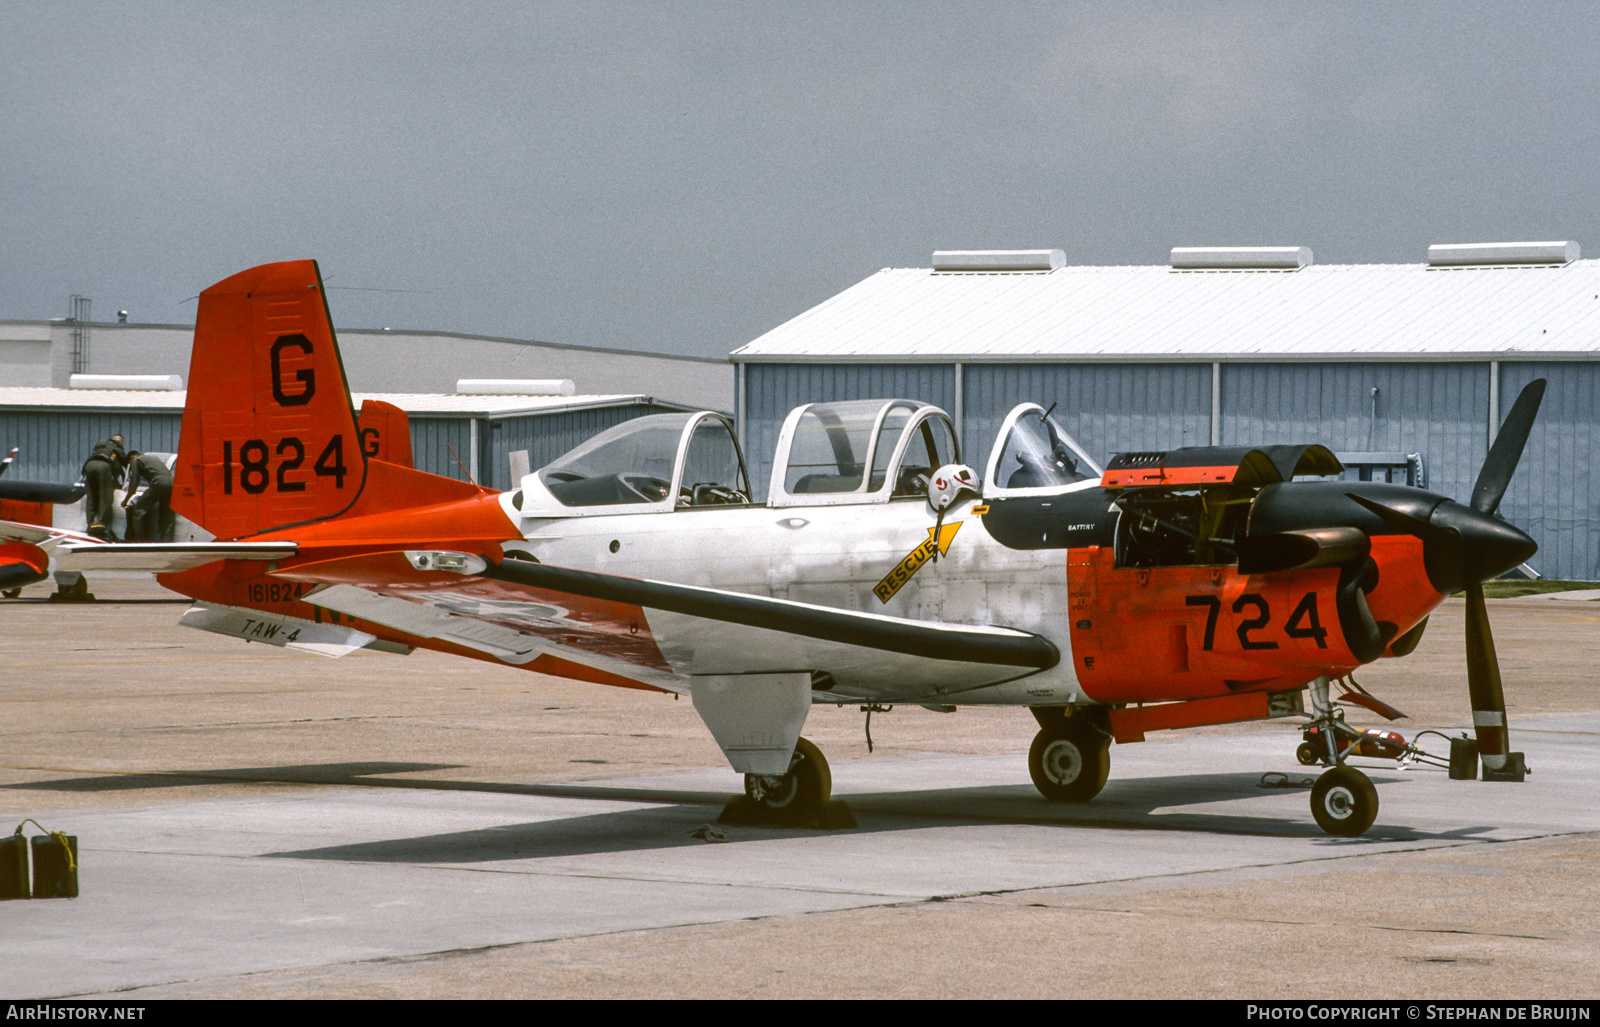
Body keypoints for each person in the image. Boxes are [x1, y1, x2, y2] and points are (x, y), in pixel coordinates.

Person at [122, 450, 174, 543]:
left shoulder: (136, 461)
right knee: (166, 515)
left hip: (159, 482)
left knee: (138, 509)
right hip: (172, 482)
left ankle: (141, 541)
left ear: (131, 459)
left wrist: (126, 499)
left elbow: (134, 481)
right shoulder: (153, 459)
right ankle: (166, 542)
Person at [82, 434, 126, 541]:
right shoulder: (117, 448)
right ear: (121, 442)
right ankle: (100, 525)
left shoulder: (101, 445)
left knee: (91, 497)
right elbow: (122, 466)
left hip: (89, 465)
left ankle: (90, 524)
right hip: (103, 467)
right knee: (105, 497)